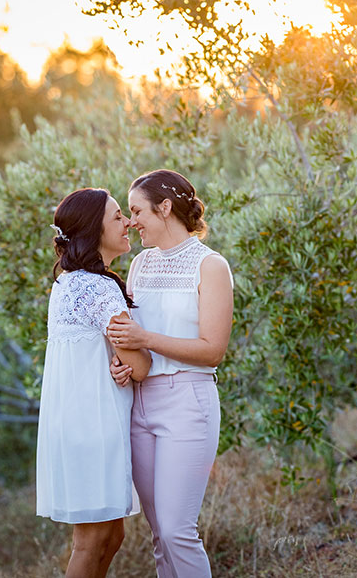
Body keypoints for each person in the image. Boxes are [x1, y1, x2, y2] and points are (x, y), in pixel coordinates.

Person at [107, 169, 234, 578]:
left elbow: (212, 351)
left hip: (188, 404)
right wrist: (124, 363)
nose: (130, 221)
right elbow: (132, 338)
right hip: (140, 405)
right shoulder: (141, 265)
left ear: (165, 208)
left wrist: (145, 337)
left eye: (137, 210)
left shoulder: (210, 266)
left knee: (179, 531)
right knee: (159, 533)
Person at [36, 188, 151, 578]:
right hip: (92, 425)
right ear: (93, 229)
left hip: (77, 421)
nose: (128, 223)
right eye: (118, 216)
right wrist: (131, 360)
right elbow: (141, 364)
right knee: (91, 542)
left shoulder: (70, 283)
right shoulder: (98, 288)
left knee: (111, 536)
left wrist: (119, 360)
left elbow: (108, 354)